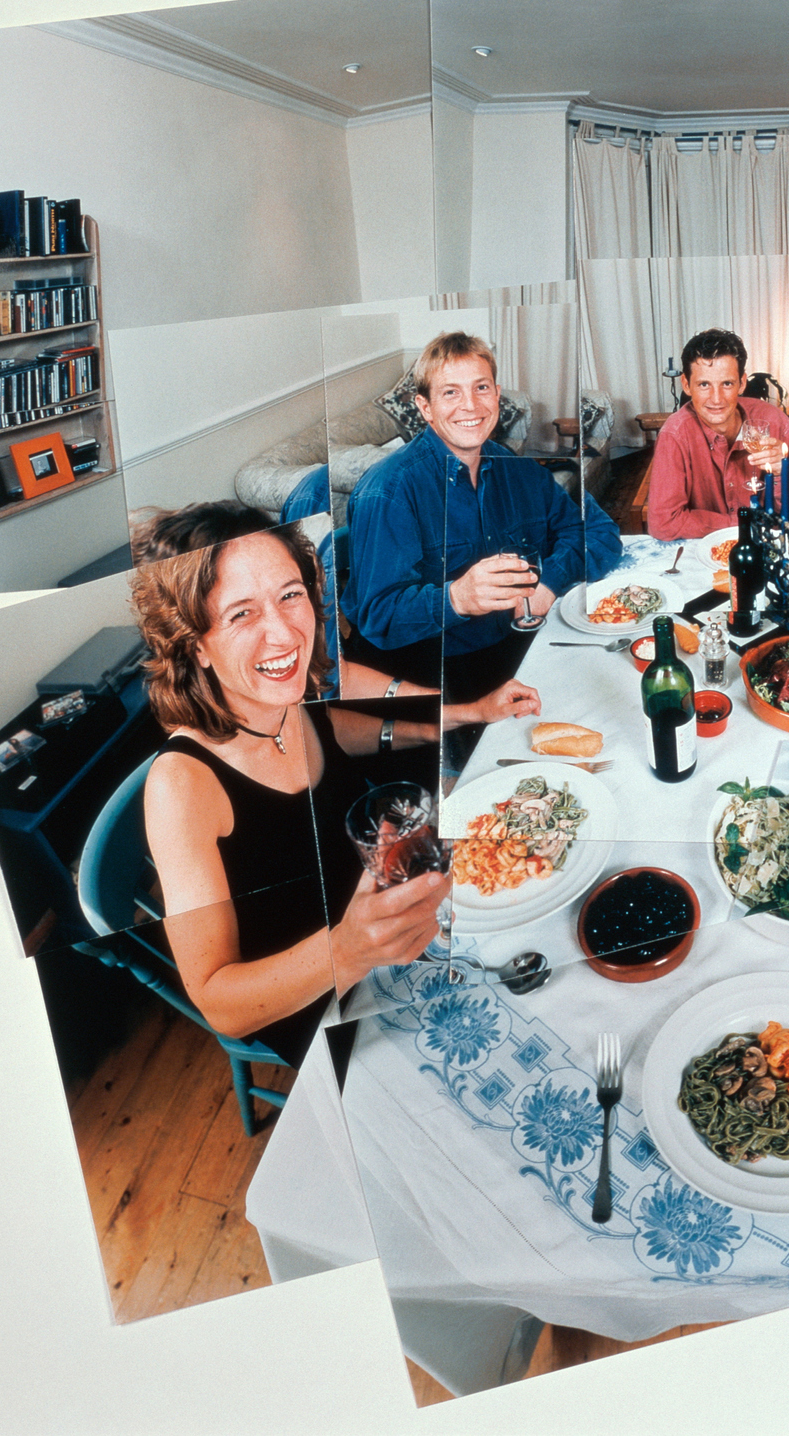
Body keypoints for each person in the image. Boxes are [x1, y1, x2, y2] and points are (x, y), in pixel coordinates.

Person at [131, 501, 537, 1067]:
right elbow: (219, 1003)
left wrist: (471, 712)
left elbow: (352, 732)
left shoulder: (285, 702)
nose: (283, 633)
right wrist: (345, 951)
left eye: (290, 594)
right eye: (240, 614)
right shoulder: (180, 786)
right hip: (324, 1007)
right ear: (194, 642)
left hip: (391, 935)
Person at [341, 332, 622, 702]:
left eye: (481, 388)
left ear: (497, 395)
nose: (470, 406)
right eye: (450, 392)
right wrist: (457, 598)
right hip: (430, 673)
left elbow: (598, 532)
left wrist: (549, 583)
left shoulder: (520, 471)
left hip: (516, 647)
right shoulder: (389, 491)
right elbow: (378, 617)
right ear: (424, 407)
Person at [645, 327, 789, 540]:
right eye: (704, 385)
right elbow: (663, 523)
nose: (716, 399)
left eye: (727, 384)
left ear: (742, 383)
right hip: (704, 550)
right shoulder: (674, 435)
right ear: (686, 385)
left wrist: (781, 473)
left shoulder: (775, 422)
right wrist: (743, 523)